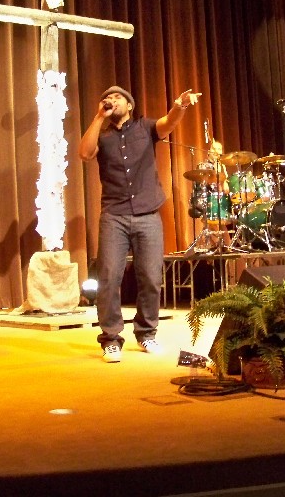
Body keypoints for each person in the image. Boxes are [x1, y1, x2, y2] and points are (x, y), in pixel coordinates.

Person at [79, 85, 198, 362]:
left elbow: (168, 124)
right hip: (114, 215)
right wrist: (98, 117)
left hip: (148, 215)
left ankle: (146, 333)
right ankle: (111, 339)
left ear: (129, 105)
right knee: (109, 277)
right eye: (106, 97)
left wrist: (179, 106)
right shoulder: (103, 136)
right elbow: (84, 153)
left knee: (151, 277)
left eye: (117, 97)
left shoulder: (145, 127)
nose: (111, 100)